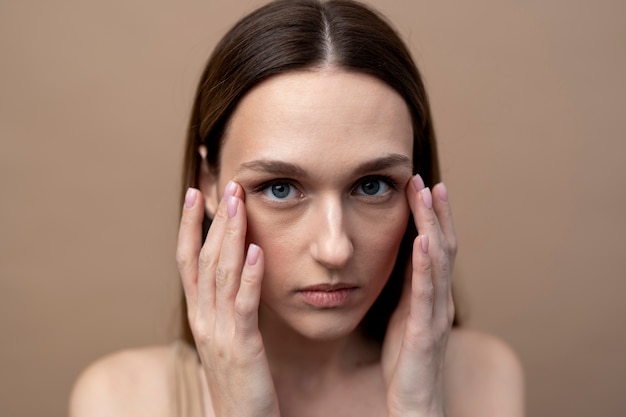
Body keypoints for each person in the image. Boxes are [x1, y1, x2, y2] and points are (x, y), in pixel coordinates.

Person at [70, 1, 524, 416]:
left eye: (372, 185)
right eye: (281, 188)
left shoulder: (485, 379)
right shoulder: (120, 399)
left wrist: (418, 407)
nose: (335, 249)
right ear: (207, 182)